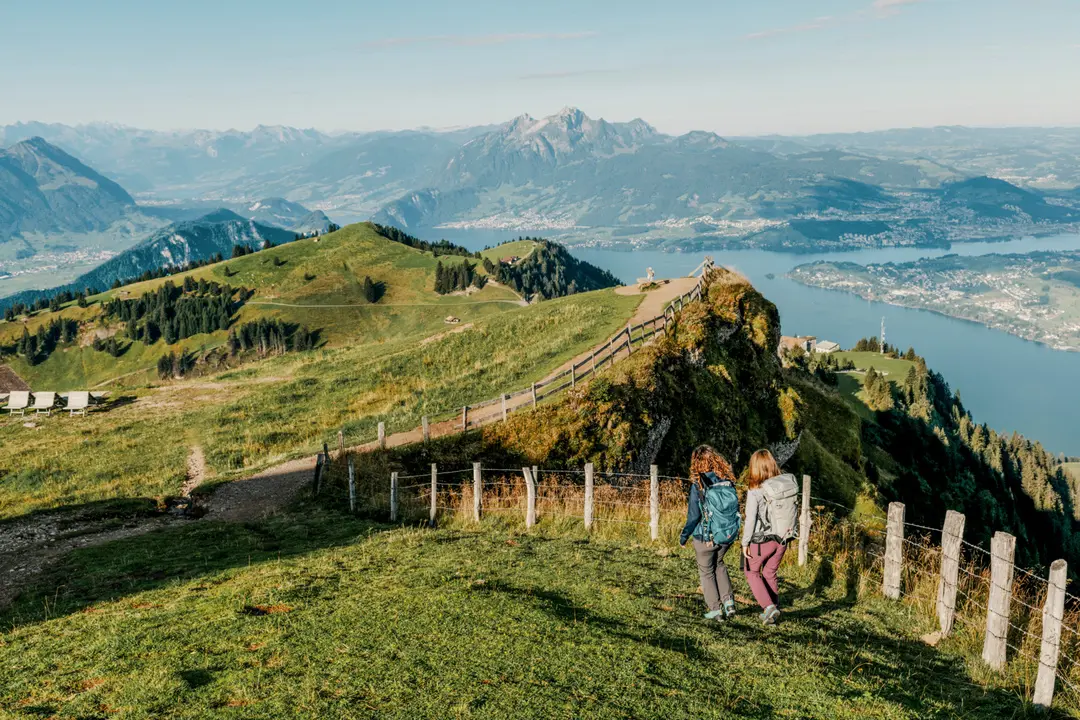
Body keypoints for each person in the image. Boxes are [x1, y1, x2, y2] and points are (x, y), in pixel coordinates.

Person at [679, 445, 742, 622]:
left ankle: (716, 609)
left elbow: (693, 516)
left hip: (705, 536)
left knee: (706, 571)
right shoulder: (727, 480)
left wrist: (684, 536)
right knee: (719, 564)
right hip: (726, 534)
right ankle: (729, 602)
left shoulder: (698, 484)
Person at [741, 449, 800, 625]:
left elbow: (751, 519)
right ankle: (774, 610)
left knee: (751, 572)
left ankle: (769, 608)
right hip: (782, 538)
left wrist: (745, 542)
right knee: (769, 572)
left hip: (762, 541)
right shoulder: (782, 486)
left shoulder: (755, 492)